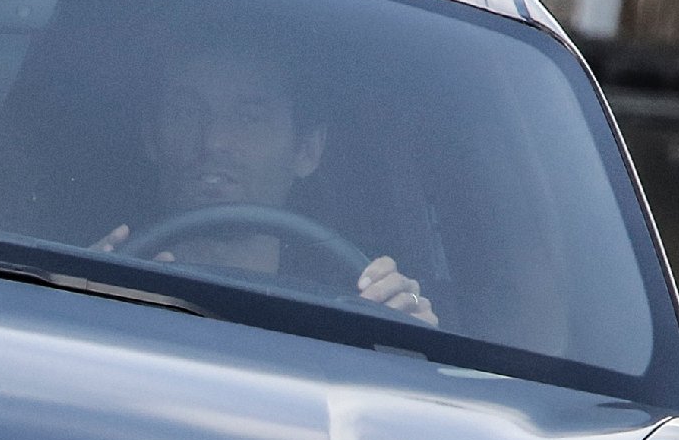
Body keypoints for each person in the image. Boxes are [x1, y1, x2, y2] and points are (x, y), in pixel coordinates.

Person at [92, 46, 435, 325]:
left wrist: (407, 333)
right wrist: (80, 292)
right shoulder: (99, 288)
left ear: (307, 150)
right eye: (187, 112)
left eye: (248, 117)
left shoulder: (351, 313)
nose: (215, 140)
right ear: (151, 138)